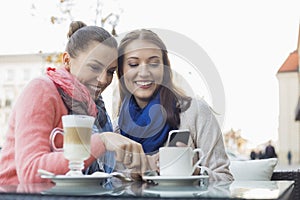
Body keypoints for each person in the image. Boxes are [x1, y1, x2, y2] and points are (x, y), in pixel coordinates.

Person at [0, 21, 148, 184]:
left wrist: (129, 173)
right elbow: (31, 173)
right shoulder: (41, 90)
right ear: (67, 61)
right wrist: (102, 141)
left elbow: (96, 175)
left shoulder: (96, 108)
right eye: (94, 67)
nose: (103, 79)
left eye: (110, 72)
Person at [115, 29, 233, 181]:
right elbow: (112, 187)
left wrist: (194, 171)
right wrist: (133, 176)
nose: (144, 72)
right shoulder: (116, 129)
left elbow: (225, 179)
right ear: (122, 72)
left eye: (153, 63)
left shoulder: (195, 112)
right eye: (133, 64)